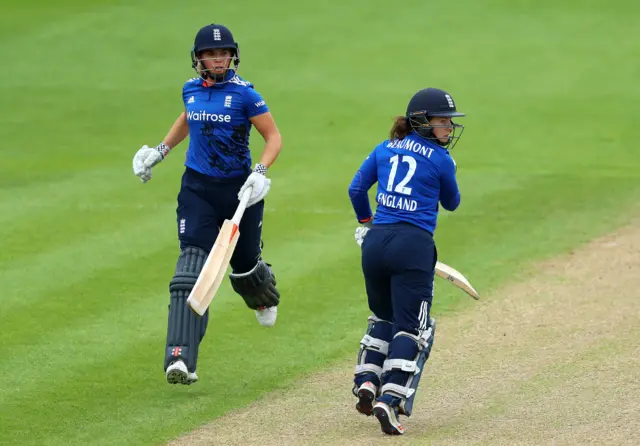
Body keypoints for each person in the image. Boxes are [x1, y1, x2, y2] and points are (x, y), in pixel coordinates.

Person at [132, 23, 282, 385]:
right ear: (198, 59)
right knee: (190, 271)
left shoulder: (246, 95)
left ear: (233, 55)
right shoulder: (191, 90)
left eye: (223, 53)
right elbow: (188, 117)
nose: (218, 59)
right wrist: (160, 151)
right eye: (210, 54)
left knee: (244, 268)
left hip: (239, 191)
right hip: (197, 189)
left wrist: (260, 172)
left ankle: (264, 297)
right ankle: (180, 358)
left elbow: (273, 136)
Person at [347, 87, 465, 435]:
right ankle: (389, 398)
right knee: (411, 328)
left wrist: (367, 224)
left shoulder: (384, 148)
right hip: (413, 245)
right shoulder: (441, 159)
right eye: (443, 121)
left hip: (376, 242)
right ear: (422, 122)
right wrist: (446, 169)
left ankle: (368, 380)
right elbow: (453, 203)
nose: (448, 128)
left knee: (383, 317)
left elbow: (356, 190)